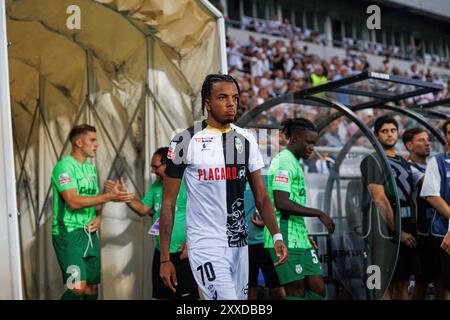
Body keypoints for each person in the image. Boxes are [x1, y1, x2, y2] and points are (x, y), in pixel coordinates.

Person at [159, 74, 288, 300]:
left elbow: (262, 197)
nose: (231, 103)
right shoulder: (184, 141)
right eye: (222, 97)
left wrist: (276, 236)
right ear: (207, 103)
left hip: (239, 241)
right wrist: (164, 258)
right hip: (205, 242)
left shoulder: (246, 139)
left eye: (235, 98)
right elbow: (168, 203)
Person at [51, 124, 135, 300]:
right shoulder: (64, 167)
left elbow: (94, 198)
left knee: (91, 287)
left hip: (89, 232)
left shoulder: (90, 168)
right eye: (93, 140)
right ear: (79, 142)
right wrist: (109, 197)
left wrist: (99, 217)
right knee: (77, 288)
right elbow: (73, 201)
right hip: (68, 233)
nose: (97, 145)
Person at [105, 147, 198, 300]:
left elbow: (201, 215)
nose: (153, 171)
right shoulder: (156, 187)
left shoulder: (187, 184)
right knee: (162, 296)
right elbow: (142, 209)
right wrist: (125, 197)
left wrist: (192, 241)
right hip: (161, 254)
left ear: (168, 165)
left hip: (183, 256)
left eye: (156, 167)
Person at [263, 118, 335, 300]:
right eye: (309, 142)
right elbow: (282, 202)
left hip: (299, 237)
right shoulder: (284, 162)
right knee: (296, 292)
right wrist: (319, 213)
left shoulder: (295, 162)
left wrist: (304, 233)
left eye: (314, 143)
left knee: (318, 290)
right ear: (294, 139)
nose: (312, 147)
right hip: (284, 234)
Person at [360, 116, 419, 300]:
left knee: (402, 283)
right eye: (384, 131)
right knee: (380, 286)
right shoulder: (372, 160)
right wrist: (398, 231)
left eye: (393, 130)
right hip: (382, 234)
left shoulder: (403, 162)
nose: (389, 134)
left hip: (406, 227)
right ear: (377, 135)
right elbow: (379, 198)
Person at [403, 128, 446, 300]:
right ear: (409, 145)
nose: (427, 143)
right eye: (421, 140)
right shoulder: (410, 169)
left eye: (428, 139)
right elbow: (432, 188)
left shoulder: (432, 165)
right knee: (422, 281)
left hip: (438, 230)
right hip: (422, 234)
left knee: (440, 280)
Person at [420, 119, 450, 300]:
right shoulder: (437, 161)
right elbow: (431, 196)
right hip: (444, 234)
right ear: (446, 136)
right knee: (447, 287)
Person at [244, 181, 285, 300]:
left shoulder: (266, 177)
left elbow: (282, 204)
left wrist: (268, 221)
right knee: (249, 290)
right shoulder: (233, 178)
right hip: (243, 245)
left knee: (278, 289)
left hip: (265, 243)